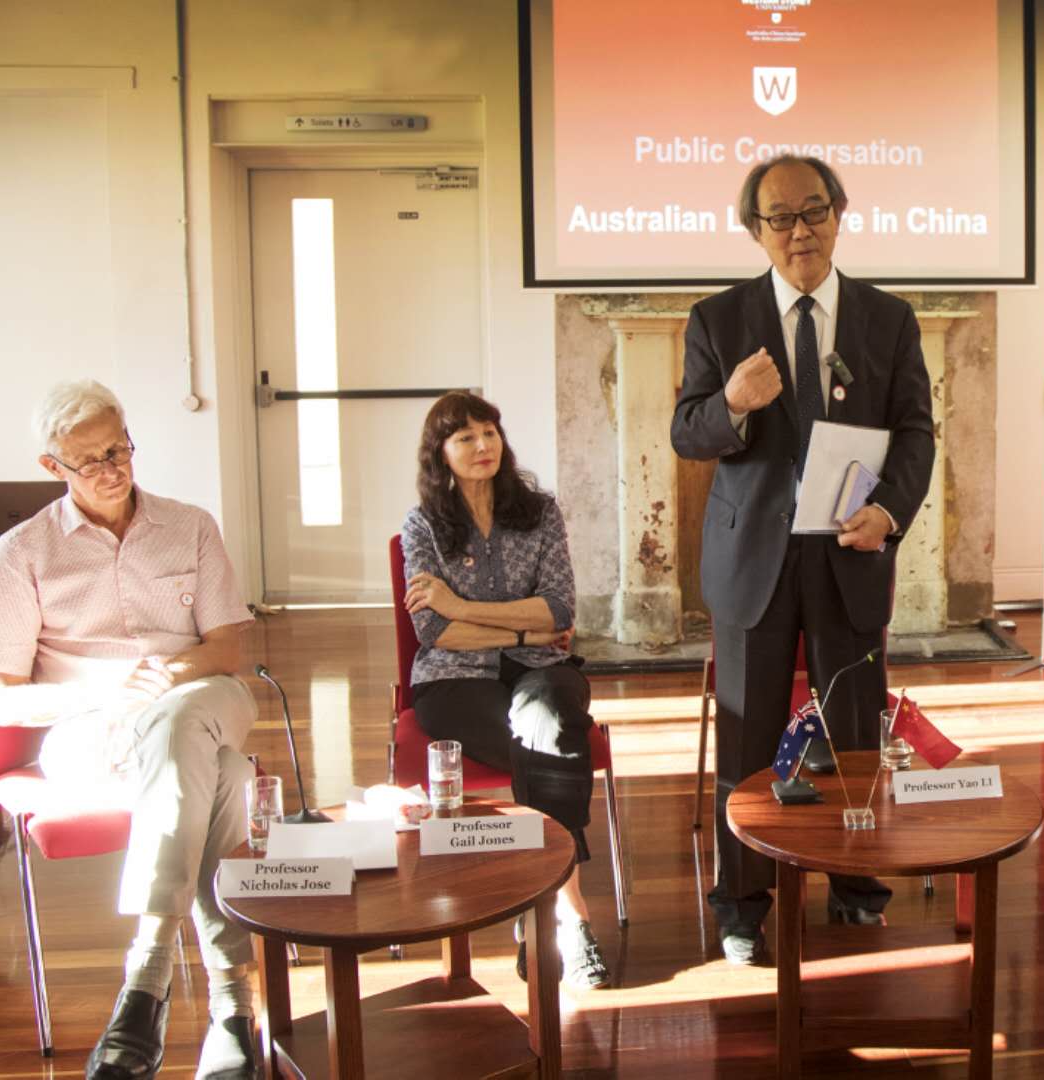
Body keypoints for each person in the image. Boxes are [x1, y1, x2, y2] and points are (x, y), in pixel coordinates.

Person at [671, 154, 935, 964]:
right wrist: (731, 404)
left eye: (814, 211)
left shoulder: (887, 318)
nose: (799, 231)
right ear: (755, 230)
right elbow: (687, 432)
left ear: (839, 214)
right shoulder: (718, 319)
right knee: (747, 742)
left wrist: (890, 511)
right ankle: (742, 904)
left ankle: (856, 885)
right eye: (779, 218)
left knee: (851, 736)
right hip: (752, 559)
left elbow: (915, 432)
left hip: (848, 552)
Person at [0, 380, 261, 1079]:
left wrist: (165, 676)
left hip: (201, 696)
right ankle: (235, 1008)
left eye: (118, 449)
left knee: (180, 725)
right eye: (90, 460)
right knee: (223, 775)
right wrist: (108, 691)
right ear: (52, 465)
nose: (112, 469)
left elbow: (226, 649)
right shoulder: (21, 553)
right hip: (90, 727)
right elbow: (5, 698)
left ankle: (146, 982)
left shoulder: (190, 525)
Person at [400, 391, 610, 989]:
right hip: (453, 680)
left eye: (489, 432)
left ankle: (545, 908)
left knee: (547, 714)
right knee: (545, 742)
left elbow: (559, 611)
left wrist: (463, 606)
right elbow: (433, 631)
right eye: (464, 437)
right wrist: (523, 624)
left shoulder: (539, 512)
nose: (482, 445)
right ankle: (567, 913)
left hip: (542, 665)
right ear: (440, 453)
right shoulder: (422, 525)